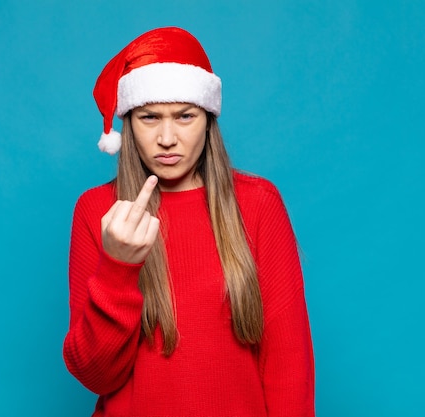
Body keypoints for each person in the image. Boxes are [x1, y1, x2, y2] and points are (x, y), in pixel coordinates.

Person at [63, 27, 315, 416]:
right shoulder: (98, 210)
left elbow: (289, 367)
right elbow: (96, 375)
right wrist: (118, 266)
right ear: (129, 122)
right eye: (149, 117)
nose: (167, 137)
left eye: (184, 116)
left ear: (208, 119)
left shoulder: (259, 204)